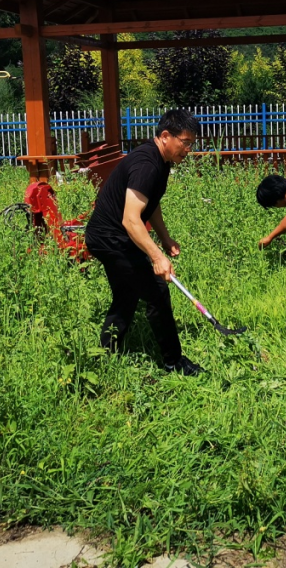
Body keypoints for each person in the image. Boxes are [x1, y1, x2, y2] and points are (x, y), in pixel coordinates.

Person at [84, 109, 202, 376]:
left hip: (111, 237)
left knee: (127, 295)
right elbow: (131, 220)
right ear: (165, 136)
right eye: (185, 142)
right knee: (157, 291)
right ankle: (174, 362)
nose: (188, 149)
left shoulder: (161, 161)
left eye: (191, 144)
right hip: (111, 238)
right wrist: (157, 257)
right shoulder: (147, 164)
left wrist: (164, 237)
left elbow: (150, 203)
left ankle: (105, 354)